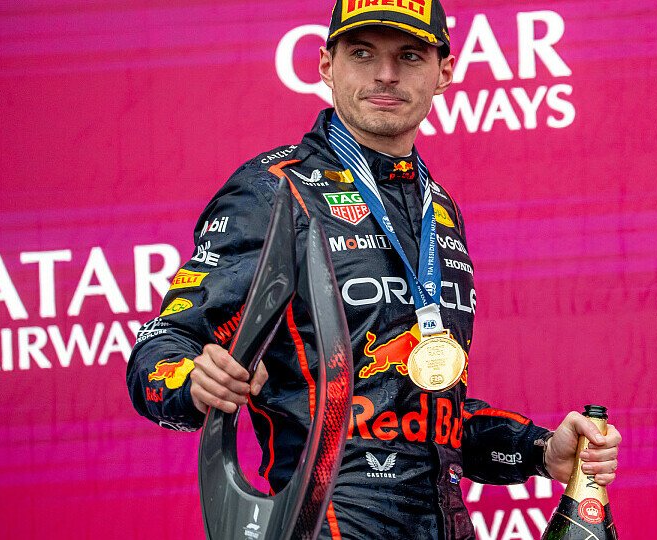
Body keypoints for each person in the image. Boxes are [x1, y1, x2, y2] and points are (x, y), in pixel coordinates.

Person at [127, 0, 621, 538]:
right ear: (326, 65)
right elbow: (162, 347)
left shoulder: (439, 209)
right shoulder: (277, 191)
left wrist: (542, 451)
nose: (385, 74)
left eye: (409, 56)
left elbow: (434, 418)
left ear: (444, 73)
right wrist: (193, 380)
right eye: (362, 54)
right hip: (325, 524)